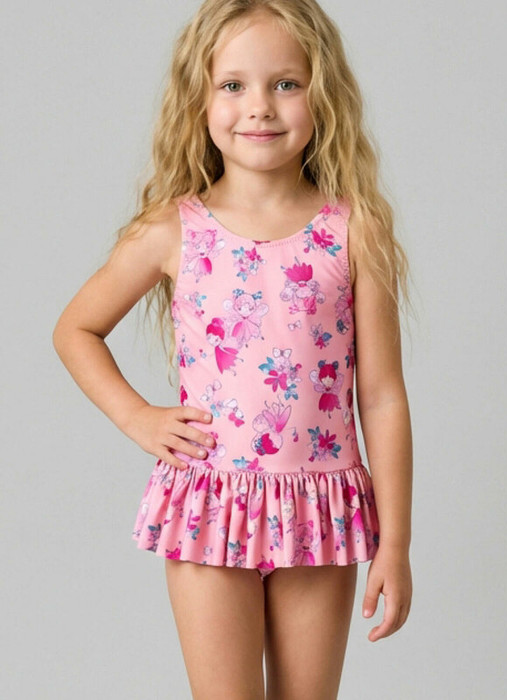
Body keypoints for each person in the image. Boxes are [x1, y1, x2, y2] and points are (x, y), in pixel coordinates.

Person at [53, 1, 414, 697]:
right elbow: (75, 329)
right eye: (233, 85)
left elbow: (381, 396)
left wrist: (393, 544)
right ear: (200, 99)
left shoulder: (354, 230)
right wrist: (136, 417)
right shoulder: (173, 230)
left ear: (323, 94)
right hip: (211, 504)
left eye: (286, 83)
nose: (260, 107)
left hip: (319, 507)